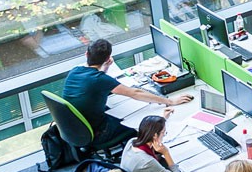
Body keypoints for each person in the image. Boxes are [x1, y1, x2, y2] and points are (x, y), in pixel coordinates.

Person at [62, 39, 192, 148]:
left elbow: (97, 82)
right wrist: (170, 101)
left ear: (86, 54)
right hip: (99, 132)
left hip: (76, 127)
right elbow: (134, 93)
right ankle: (145, 154)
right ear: (108, 58)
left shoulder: (75, 71)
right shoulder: (100, 79)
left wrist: (105, 68)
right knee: (140, 127)